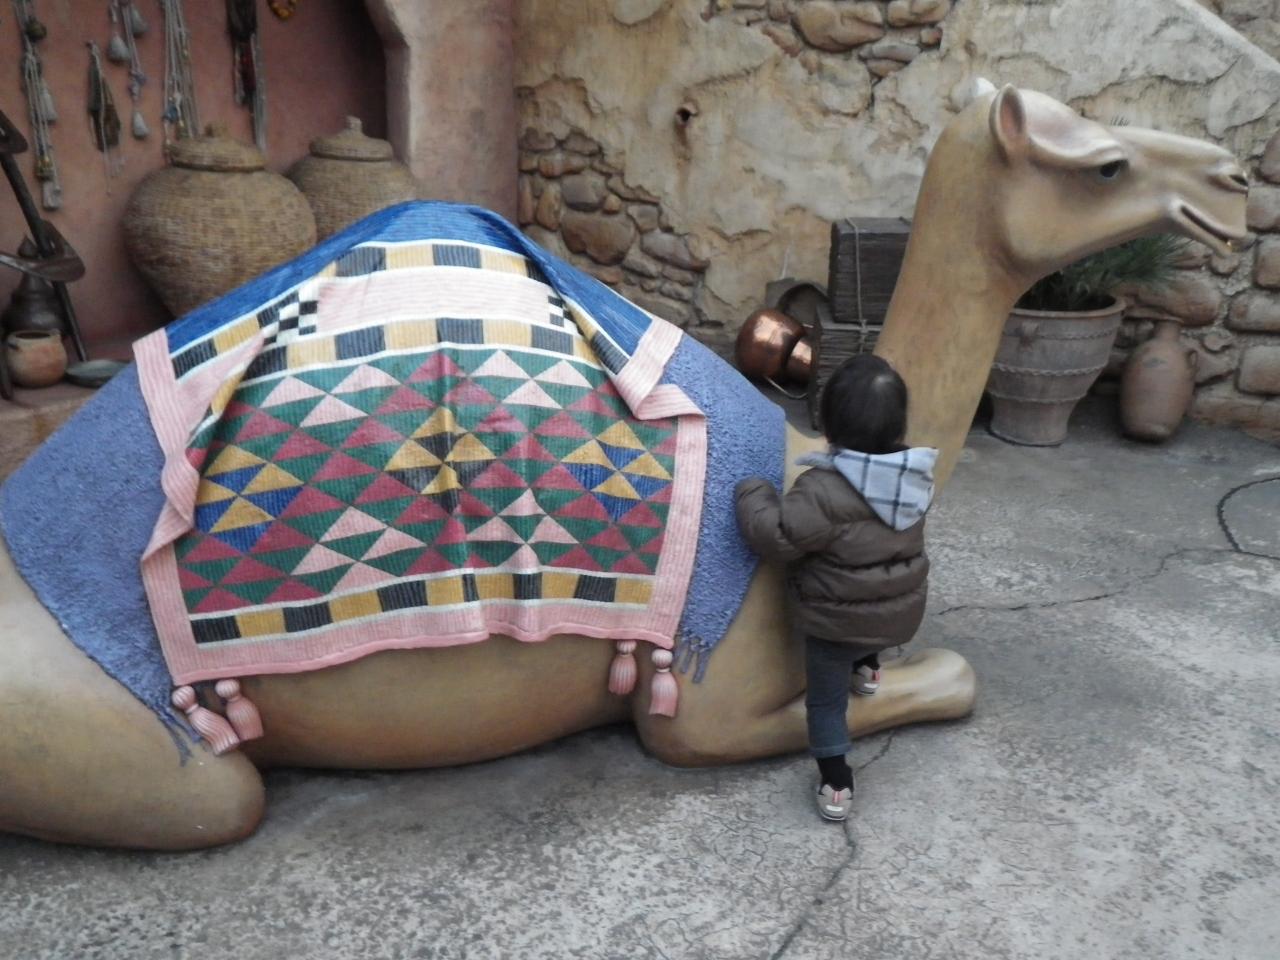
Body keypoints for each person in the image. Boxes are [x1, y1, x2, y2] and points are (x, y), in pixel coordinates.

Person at [735, 354, 936, 822]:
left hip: (836, 626)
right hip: (897, 615)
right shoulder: (914, 475)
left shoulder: (821, 490)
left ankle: (836, 779)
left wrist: (752, 492)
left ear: (828, 425)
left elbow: (777, 538)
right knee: (871, 589)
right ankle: (868, 668)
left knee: (826, 703)